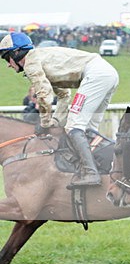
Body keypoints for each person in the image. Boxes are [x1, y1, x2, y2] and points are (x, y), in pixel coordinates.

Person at [0, 32, 119, 188]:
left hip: (95, 74)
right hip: (107, 73)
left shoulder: (30, 62)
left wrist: (44, 123)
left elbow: (44, 95)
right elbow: (64, 95)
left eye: (6, 58)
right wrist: (55, 121)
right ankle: (102, 168)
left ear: (16, 53)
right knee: (88, 129)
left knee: (74, 126)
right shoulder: (40, 59)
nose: (8, 64)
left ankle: (90, 173)